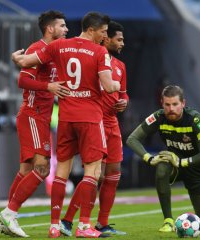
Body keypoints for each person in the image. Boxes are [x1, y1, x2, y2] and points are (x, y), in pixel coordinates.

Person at [10, 11, 121, 238]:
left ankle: (54, 225)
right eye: (102, 32)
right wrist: (119, 81)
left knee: (60, 171)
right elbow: (109, 87)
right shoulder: (100, 52)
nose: (104, 37)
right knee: (93, 170)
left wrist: (16, 58)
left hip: (66, 117)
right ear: (91, 30)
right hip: (89, 117)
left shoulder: (59, 47)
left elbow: (23, 62)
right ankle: (83, 226)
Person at [0, 10, 69, 238]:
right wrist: (48, 87)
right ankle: (10, 212)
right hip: (33, 115)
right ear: (50, 29)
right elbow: (22, 80)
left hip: (40, 117)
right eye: (62, 25)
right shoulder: (38, 49)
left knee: (26, 170)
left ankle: (7, 219)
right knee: (42, 169)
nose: (66, 29)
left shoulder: (54, 51)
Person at [126, 85, 200, 232]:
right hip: (175, 164)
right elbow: (132, 139)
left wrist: (183, 162)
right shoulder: (158, 117)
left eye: (175, 104)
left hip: (198, 168)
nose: (171, 109)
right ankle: (168, 221)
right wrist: (149, 158)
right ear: (162, 103)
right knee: (162, 167)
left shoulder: (194, 120)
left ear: (183, 103)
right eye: (167, 105)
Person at [59, 20, 128, 237]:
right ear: (105, 38)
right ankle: (68, 220)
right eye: (119, 39)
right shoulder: (92, 56)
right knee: (94, 174)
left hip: (112, 123)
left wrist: (124, 101)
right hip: (93, 120)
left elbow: (123, 93)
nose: (122, 43)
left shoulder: (120, 66)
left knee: (114, 171)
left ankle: (102, 223)